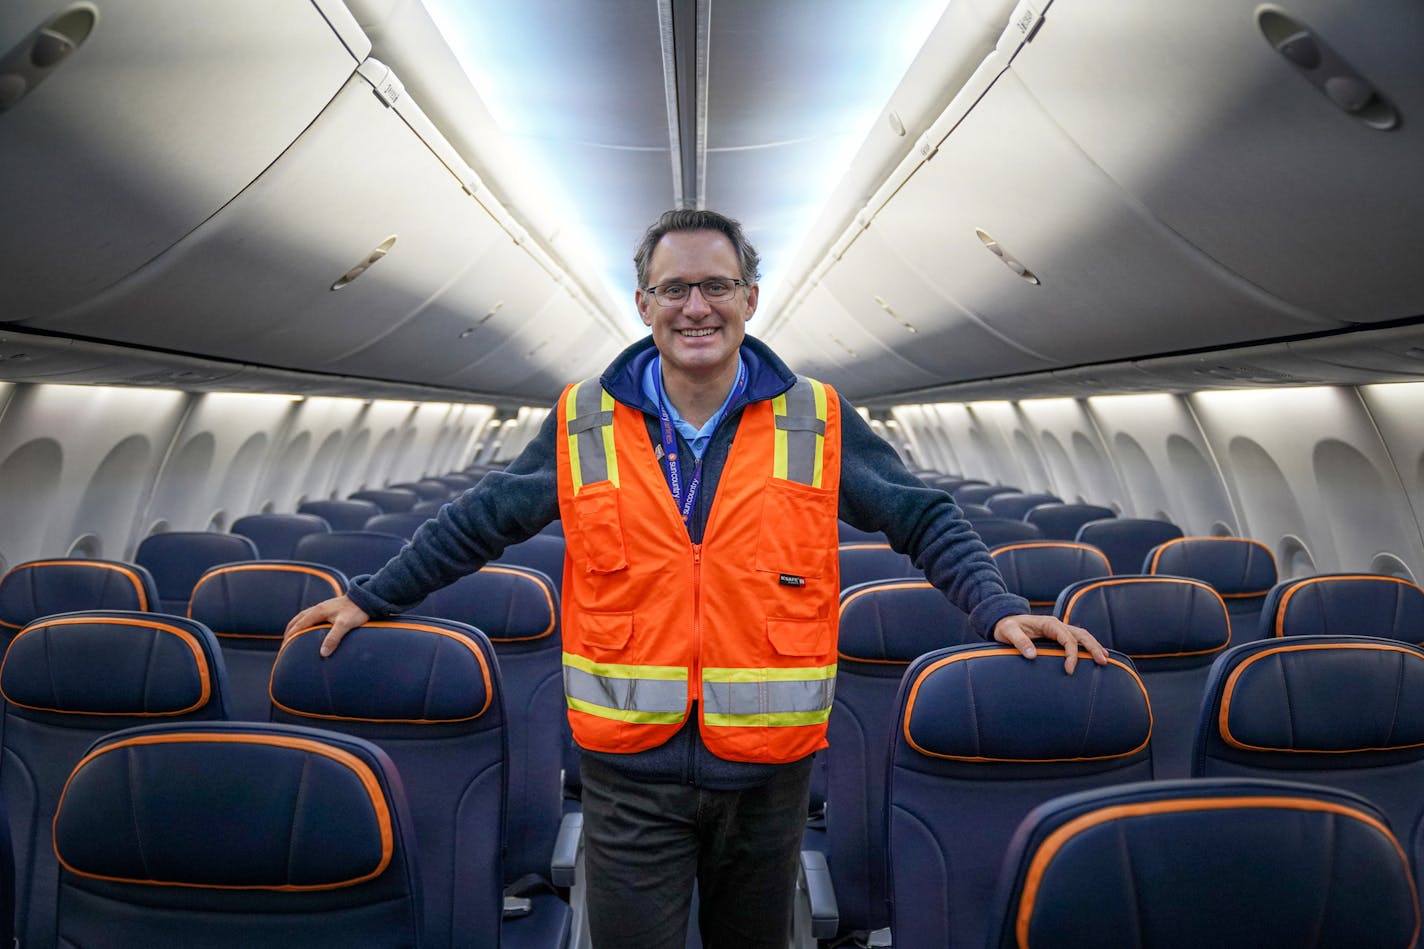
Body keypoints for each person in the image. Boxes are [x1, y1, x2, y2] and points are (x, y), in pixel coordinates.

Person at [285, 208, 1106, 948]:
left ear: (751, 296)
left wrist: (999, 609)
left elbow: (922, 513)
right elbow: (480, 518)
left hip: (769, 775)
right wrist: (367, 595)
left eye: (717, 285)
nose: (696, 307)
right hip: (628, 774)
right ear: (642, 304)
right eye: (674, 288)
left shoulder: (815, 416)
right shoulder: (583, 419)